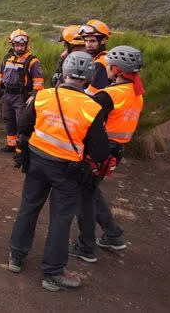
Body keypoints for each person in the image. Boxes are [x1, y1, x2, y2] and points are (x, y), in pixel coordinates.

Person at [8, 51, 110, 292]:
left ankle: (16, 256)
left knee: (28, 207)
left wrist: (25, 150)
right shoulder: (92, 107)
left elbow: (23, 126)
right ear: (88, 78)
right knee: (61, 218)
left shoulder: (42, 96)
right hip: (67, 170)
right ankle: (53, 272)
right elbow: (100, 151)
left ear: (63, 72)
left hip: (36, 162)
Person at [70, 46, 145, 263]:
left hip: (97, 151)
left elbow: (85, 117)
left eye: (109, 66)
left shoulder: (109, 95)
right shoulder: (136, 92)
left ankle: (86, 247)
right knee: (91, 191)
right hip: (115, 151)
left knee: (83, 197)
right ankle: (112, 234)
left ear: (116, 69)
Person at [0, 29, 44, 152]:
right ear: (13, 45)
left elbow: (39, 81)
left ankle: (21, 147)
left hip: (22, 96)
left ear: (26, 45)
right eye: (17, 45)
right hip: (7, 94)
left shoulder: (32, 61)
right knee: (8, 119)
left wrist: (34, 95)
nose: (20, 47)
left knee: (22, 122)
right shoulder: (7, 58)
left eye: (22, 45)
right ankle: (11, 144)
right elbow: (0, 74)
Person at [78, 19, 112, 90]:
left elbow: (93, 93)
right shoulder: (101, 57)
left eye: (92, 41)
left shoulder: (102, 62)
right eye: (86, 41)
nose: (88, 45)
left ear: (103, 40)